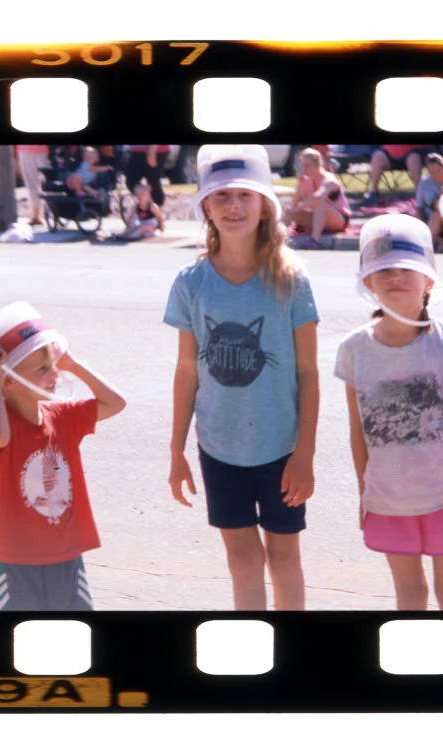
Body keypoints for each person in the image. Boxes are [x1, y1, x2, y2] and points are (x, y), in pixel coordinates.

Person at [164, 145, 320, 611]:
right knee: (242, 559)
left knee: (284, 558)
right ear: (206, 208)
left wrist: (305, 452)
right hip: (219, 447)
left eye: (244, 196)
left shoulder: (291, 277)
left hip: (281, 448)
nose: (233, 206)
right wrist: (176, 451)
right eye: (221, 196)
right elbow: (186, 372)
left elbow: (309, 373)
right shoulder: (191, 282)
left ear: (265, 206)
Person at [335, 214, 443, 610]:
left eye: (407, 268)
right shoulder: (354, 350)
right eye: (383, 269)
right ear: (367, 282)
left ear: (429, 280)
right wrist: (364, 494)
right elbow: (359, 433)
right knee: (409, 594)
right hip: (388, 500)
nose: (395, 277)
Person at [0, 303, 127, 610]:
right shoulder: (2, 421)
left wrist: (74, 365)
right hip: (16, 559)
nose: (54, 373)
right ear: (9, 380)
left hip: (66, 555)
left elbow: (116, 402)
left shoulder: (63, 415)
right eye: (42, 368)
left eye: (52, 364)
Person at [284, 148, 353, 250]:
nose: (304, 170)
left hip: (338, 219)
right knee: (288, 211)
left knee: (319, 204)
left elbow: (317, 197)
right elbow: (295, 201)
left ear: (318, 165)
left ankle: (314, 240)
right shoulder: (306, 179)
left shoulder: (328, 180)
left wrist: (298, 208)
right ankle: (278, 237)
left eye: (307, 166)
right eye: (302, 166)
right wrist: (300, 184)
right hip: (318, 218)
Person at [365, 144, 432, 203]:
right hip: (390, 153)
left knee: (414, 158)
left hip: (413, 152)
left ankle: (419, 194)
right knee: (377, 156)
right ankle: (373, 191)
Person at [17, 144, 50, 226]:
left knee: (47, 185)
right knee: (31, 185)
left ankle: (50, 214)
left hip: (43, 151)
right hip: (25, 151)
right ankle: (36, 216)